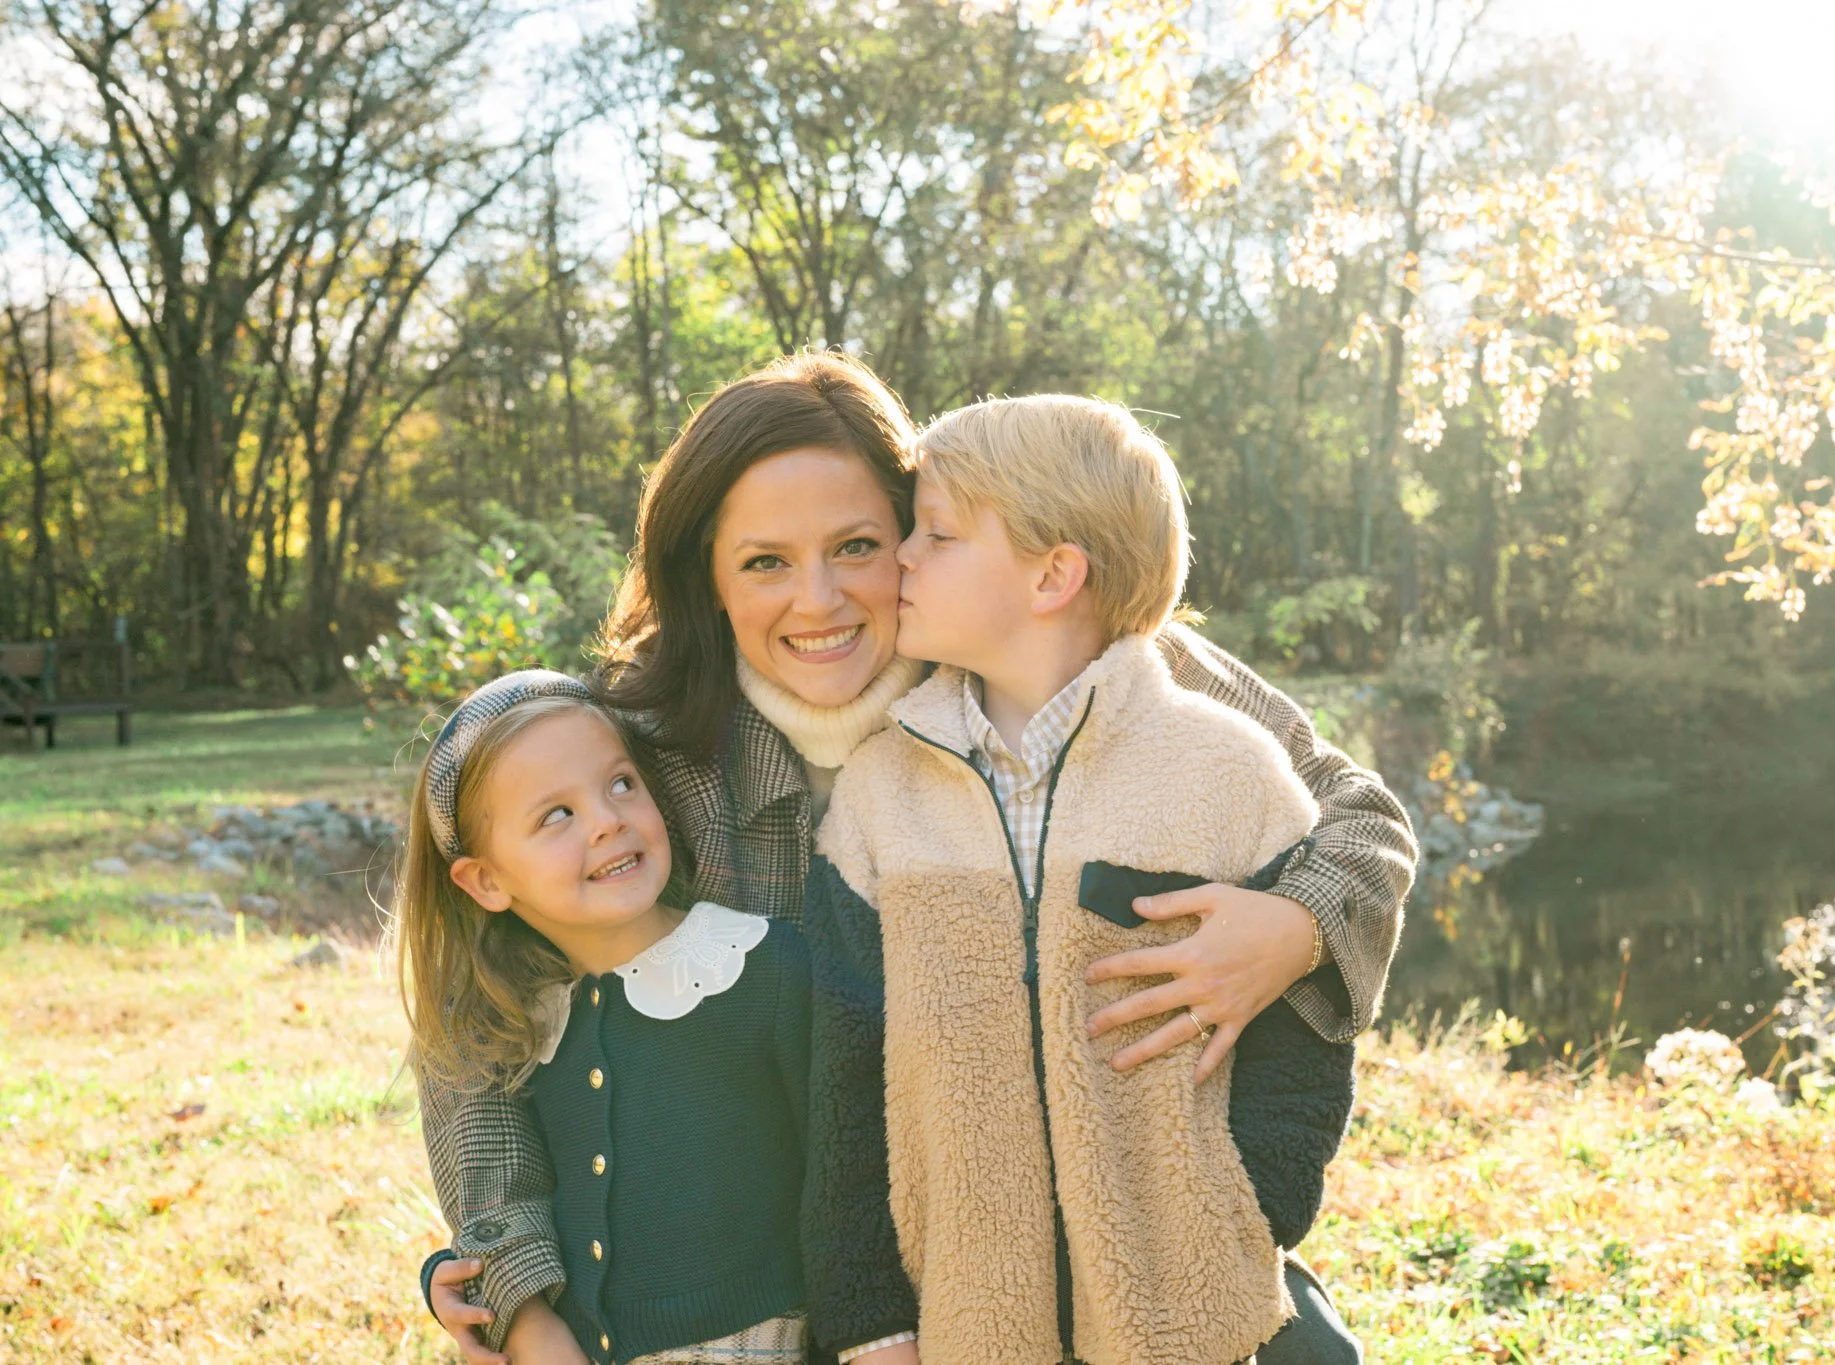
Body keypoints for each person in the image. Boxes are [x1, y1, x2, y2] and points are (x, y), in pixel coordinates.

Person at [418, 351, 1417, 1363]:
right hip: (783, 1276)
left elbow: (1359, 816)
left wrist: (1291, 929)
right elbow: (482, 999)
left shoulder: (1071, 652)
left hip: (1098, 1219)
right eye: (763, 562)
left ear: (919, 527)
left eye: (858, 545)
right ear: (706, 580)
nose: (819, 601)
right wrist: (513, 1279)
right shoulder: (634, 756)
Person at [804, 395, 1361, 1365]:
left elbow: (1305, 1034)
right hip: (968, 1327)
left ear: (1053, 574)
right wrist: (871, 1325)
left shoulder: (1225, 772)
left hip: (1189, 1318)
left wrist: (1240, 1214)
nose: (899, 558)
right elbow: (845, 1085)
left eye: (935, 536)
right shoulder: (875, 798)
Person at [397, 671, 817, 1365]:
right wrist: (463, 1284)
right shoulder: (527, 1030)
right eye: (555, 815)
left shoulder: (762, 966)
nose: (606, 818)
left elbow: (847, 1182)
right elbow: (524, 1207)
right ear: (487, 881)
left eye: (621, 782)